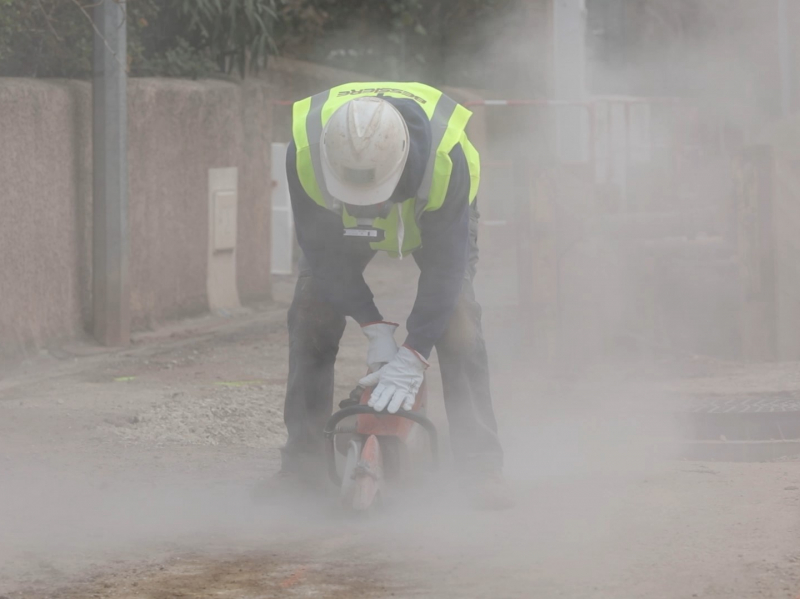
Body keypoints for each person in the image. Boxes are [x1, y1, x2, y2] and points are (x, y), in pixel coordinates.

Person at [277, 82, 511, 510]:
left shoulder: (446, 159)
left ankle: (481, 466)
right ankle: (302, 468)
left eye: (372, 198)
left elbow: (445, 272)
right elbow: (322, 255)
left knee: (457, 316)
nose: (365, 208)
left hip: (433, 218)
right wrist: (374, 327)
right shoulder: (305, 150)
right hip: (335, 226)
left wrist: (413, 355)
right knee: (311, 309)